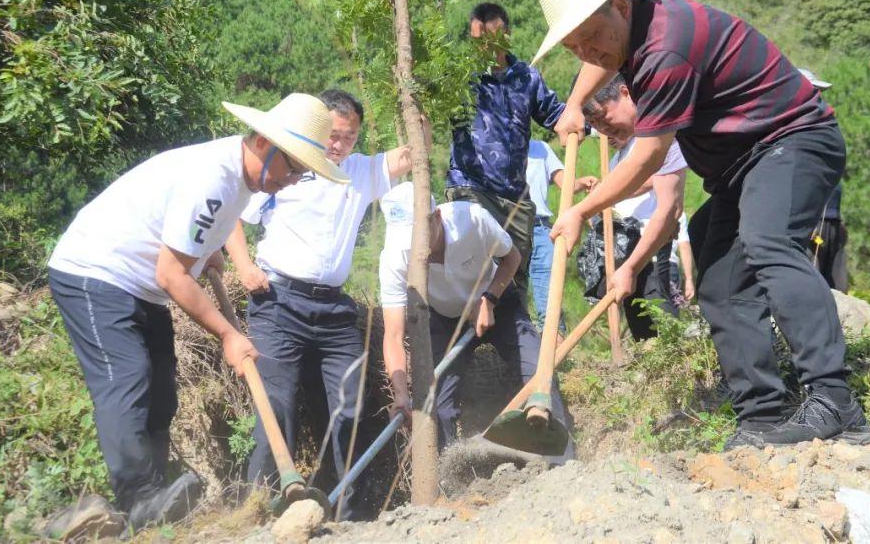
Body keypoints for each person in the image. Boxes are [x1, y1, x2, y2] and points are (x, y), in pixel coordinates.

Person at [533, 0, 870, 450]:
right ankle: (761, 415)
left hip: (792, 139)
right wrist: (571, 104)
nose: (588, 52)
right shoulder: (631, 22)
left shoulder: (666, 49)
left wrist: (580, 212)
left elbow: (648, 157)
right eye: (574, 47)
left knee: (769, 243)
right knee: (719, 282)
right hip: (740, 167)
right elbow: (598, 53)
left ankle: (836, 401)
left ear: (620, 7)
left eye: (591, 37)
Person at [46, 94, 346, 528]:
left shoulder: (242, 180)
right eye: (294, 166)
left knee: (162, 391)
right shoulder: (217, 177)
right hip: (96, 271)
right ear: (263, 142)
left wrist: (206, 254)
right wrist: (228, 334)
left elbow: (184, 241)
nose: (294, 179)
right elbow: (172, 275)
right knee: (127, 377)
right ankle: (139, 496)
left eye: (303, 171)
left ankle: (146, 503)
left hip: (142, 286)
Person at [224, 89, 415, 520]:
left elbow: (409, 154)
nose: (338, 146)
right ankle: (260, 510)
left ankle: (343, 511)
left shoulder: (362, 170)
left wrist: (411, 100)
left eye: (348, 138)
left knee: (350, 406)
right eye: (332, 135)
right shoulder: (288, 163)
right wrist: (242, 264)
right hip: (277, 302)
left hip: (334, 311)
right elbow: (233, 212)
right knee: (277, 405)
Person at [377, 183, 570, 452]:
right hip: (444, 318)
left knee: (537, 371)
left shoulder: (472, 220)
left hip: (497, 301)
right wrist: (401, 393)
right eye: (407, 239)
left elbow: (511, 258)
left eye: (418, 236)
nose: (415, 248)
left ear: (437, 218)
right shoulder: (393, 258)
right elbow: (394, 334)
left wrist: (488, 299)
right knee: (436, 405)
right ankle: (447, 476)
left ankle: (560, 451)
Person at [447, 3, 567, 317]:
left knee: (514, 282)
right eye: (478, 41)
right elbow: (425, 107)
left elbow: (556, 115)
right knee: (478, 272)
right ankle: (466, 344)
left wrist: (585, 119)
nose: (485, 47)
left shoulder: (526, 77)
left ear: (507, 36)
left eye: (492, 39)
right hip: (471, 189)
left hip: (515, 198)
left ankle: (515, 353)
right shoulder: (459, 78)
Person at [581, 75, 687, 340]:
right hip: (626, 244)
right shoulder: (619, 159)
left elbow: (653, 178)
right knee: (633, 302)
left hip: (651, 235)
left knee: (656, 300)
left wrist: (610, 193)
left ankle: (674, 356)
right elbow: (591, 122)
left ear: (625, 94)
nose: (606, 132)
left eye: (606, 122)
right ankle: (649, 360)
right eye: (597, 127)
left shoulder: (649, 140)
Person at [524, 139, 597, 331]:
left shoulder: (540, 148)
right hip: (510, 227)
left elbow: (567, 185)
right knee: (512, 291)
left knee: (549, 294)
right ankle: (521, 349)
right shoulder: (495, 145)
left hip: (540, 227)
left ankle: (555, 347)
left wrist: (581, 183)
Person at [798, 69, 848, 293]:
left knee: (837, 285)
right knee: (811, 281)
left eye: (818, 92)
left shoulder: (824, 125)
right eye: (812, 91)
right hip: (807, 220)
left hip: (832, 220)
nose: (817, 97)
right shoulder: (791, 129)